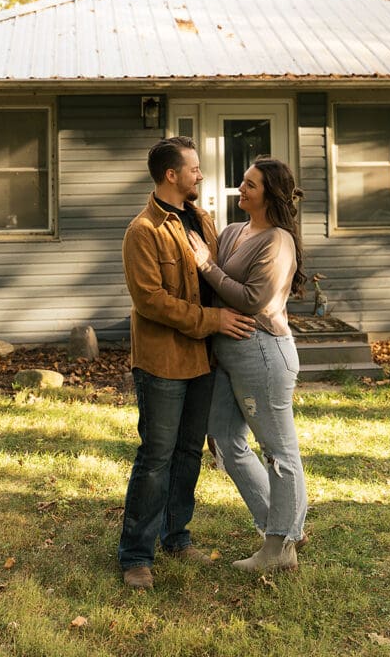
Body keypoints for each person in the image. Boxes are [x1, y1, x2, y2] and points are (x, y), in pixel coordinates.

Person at [118, 136, 256, 590]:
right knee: (155, 456)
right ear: (171, 175)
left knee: (188, 452)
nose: (201, 174)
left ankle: (176, 537)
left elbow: (217, 278)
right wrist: (213, 319)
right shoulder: (143, 231)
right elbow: (151, 301)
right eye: (194, 168)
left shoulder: (202, 220)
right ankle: (136, 554)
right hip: (162, 361)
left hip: (202, 360)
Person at [189, 155, 308, 573]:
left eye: (251, 185)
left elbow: (253, 299)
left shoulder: (277, 241)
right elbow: (218, 283)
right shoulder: (235, 230)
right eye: (243, 181)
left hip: (262, 351)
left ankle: (279, 548)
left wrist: (206, 263)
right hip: (228, 352)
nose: (242, 188)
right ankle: (281, 528)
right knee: (223, 440)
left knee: (279, 451)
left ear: (269, 195)